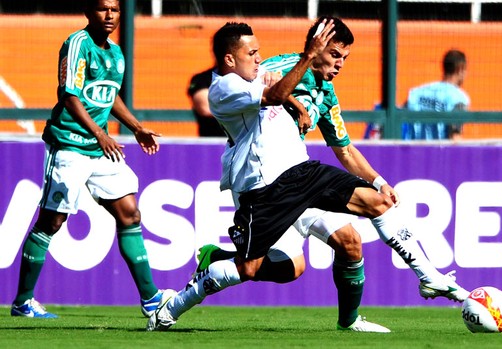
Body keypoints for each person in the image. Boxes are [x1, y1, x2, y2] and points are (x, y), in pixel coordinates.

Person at [147, 20, 467, 332]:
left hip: (301, 174)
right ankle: (196, 285)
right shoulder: (279, 66)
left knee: (356, 233)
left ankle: (371, 309)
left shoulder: (326, 94)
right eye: (335, 54)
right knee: (277, 268)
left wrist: (379, 180)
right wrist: (291, 95)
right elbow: (262, 86)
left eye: (346, 58)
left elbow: (344, 149)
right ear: (317, 48)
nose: (340, 64)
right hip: (264, 182)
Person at [10, 0, 173, 319]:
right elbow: (69, 95)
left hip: (100, 149)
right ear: (88, 11)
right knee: (52, 222)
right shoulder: (77, 44)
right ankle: (23, 301)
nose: (110, 15)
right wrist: (101, 133)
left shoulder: (116, 54)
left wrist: (136, 127)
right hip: (69, 145)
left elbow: (108, 97)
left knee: (130, 212)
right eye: (103, 9)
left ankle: (150, 298)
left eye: (115, 9)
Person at [403, 49, 470, 140]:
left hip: (414, 151)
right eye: (465, 70)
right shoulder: (459, 98)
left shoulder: (418, 93)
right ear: (459, 69)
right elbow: (455, 136)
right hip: (439, 153)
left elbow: (400, 122)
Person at [187, 67, 227, 137]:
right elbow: (206, 108)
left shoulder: (250, 79)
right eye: (250, 55)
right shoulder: (202, 79)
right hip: (214, 142)